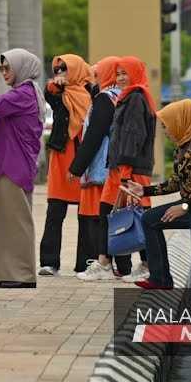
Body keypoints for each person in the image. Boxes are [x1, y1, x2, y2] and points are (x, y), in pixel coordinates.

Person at [124, 99, 191, 315]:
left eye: (167, 125)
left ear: (181, 121)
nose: (166, 131)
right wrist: (145, 191)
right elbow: (176, 183)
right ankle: (160, 278)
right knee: (150, 219)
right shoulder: (184, 144)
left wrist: (185, 206)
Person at [0, 49, 46, 289]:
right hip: (10, 164)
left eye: (8, 68)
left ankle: (22, 275)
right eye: (2, 68)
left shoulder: (23, 94)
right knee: (6, 220)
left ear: (22, 68)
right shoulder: (25, 94)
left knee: (16, 221)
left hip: (13, 166)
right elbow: (14, 122)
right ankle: (8, 273)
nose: (4, 73)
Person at [103, 56, 156, 282]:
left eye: (125, 73)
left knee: (140, 216)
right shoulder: (127, 98)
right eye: (118, 73)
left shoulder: (136, 98)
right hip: (121, 168)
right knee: (109, 211)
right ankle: (105, 262)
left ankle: (147, 264)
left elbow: (133, 136)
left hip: (131, 169)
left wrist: (125, 172)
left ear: (135, 73)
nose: (121, 78)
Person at [40, 54, 90, 276]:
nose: (60, 73)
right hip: (61, 156)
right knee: (55, 211)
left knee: (86, 214)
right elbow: (48, 94)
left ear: (77, 70)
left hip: (85, 158)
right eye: (57, 69)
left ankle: (85, 263)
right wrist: (54, 85)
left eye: (65, 69)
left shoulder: (92, 93)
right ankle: (49, 262)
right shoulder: (59, 94)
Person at [72, 57, 122, 281]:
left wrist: (77, 166)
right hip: (113, 166)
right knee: (112, 216)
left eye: (97, 74)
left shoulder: (104, 99)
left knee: (97, 216)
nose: (94, 78)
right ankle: (120, 264)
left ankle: (100, 263)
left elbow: (93, 136)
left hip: (100, 169)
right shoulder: (118, 96)